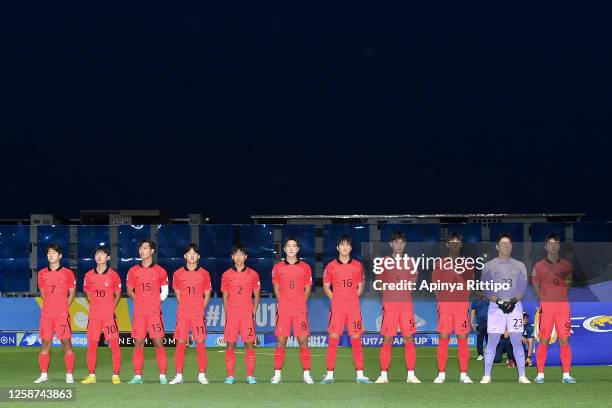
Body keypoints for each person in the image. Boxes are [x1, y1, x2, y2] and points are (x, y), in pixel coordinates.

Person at [480, 233, 530, 384]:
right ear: (497, 246)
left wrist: (513, 301)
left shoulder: (520, 265)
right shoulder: (489, 266)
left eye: (508, 243)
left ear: (512, 246)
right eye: (503, 243)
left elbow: (522, 288)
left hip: (514, 308)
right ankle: (487, 375)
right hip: (496, 308)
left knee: (516, 341)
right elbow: (485, 289)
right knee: (492, 341)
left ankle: (522, 376)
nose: (506, 246)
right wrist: (500, 301)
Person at [321, 235, 372, 384]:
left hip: (353, 309)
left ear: (350, 248)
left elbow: (360, 288)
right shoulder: (330, 266)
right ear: (338, 248)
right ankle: (329, 375)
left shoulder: (357, 265)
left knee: (356, 340)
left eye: (347, 245)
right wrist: (337, 300)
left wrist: (350, 300)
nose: (344, 247)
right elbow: (326, 287)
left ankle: (360, 375)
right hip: (337, 309)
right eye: (342, 244)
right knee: (333, 339)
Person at [374, 231, 420, 384]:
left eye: (401, 242)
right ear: (391, 244)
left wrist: (402, 290)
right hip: (390, 306)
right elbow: (379, 283)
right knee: (388, 339)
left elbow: (413, 283)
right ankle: (383, 375)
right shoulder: (383, 261)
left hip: (406, 305)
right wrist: (390, 293)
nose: (399, 245)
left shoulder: (411, 261)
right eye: (396, 242)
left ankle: (411, 375)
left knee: (408, 339)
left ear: (404, 244)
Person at [532, 233, 576, 383]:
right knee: (543, 339)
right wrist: (544, 298)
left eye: (555, 243)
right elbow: (535, 284)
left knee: (564, 340)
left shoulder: (566, 265)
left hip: (563, 308)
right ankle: (540, 375)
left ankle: (566, 375)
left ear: (558, 246)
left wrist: (560, 296)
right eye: (550, 243)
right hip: (547, 308)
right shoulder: (538, 265)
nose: (553, 245)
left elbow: (569, 282)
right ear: (546, 246)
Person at [270, 236, 314, 384]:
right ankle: (277, 375)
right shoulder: (277, 267)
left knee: (303, 341)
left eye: (293, 246)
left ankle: (306, 374)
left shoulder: (305, 267)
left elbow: (308, 288)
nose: (291, 248)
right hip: (284, 310)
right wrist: (282, 302)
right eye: (288, 245)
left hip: (299, 310)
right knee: (281, 341)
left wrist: (301, 301)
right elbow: (276, 287)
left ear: (298, 249)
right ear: (284, 249)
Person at [432, 233, 474, 384]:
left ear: (461, 245)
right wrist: (442, 301)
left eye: (458, 242)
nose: (455, 244)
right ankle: (441, 374)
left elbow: (471, 284)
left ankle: (463, 374)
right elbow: (435, 285)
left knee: (462, 338)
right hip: (445, 306)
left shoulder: (467, 264)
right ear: (447, 244)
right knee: (444, 337)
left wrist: (462, 298)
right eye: (452, 241)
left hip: (461, 306)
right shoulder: (440, 263)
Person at [126, 240, 169, 384]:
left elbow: (165, 290)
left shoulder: (160, 270)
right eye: (140, 248)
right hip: (139, 313)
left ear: (151, 251)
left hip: (154, 313)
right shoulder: (133, 271)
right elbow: (129, 289)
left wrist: (157, 302)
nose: (141, 251)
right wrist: (137, 300)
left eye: (145, 248)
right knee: (138, 342)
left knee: (158, 342)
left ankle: (162, 375)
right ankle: (137, 376)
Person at [34, 243, 77, 384]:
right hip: (47, 314)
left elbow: (72, 292)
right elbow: (43, 293)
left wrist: (64, 307)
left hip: (62, 314)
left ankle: (69, 375)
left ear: (60, 256)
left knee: (66, 343)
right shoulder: (41, 273)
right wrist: (49, 306)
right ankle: (43, 375)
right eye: (48, 253)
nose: (50, 255)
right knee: (45, 343)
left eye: (53, 253)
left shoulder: (68, 273)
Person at [169, 244, 212, 385]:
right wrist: (186, 307)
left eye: (194, 253)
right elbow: (178, 294)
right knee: (180, 343)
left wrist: (199, 308)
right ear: (185, 256)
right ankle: (179, 375)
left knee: (200, 343)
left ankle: (201, 375)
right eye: (189, 253)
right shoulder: (177, 273)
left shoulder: (204, 273)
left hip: (198, 314)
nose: (192, 255)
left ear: (198, 256)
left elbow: (207, 294)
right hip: (183, 314)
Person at [81, 246, 122, 384]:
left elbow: (118, 294)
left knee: (114, 345)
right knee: (92, 346)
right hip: (94, 316)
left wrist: (111, 308)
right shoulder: (88, 275)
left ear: (108, 257)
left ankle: (116, 376)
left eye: (103, 254)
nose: (99, 256)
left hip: (109, 317)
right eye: (97, 253)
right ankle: (91, 376)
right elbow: (87, 292)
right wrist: (94, 305)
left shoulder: (113, 275)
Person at [221, 244, 260, 384]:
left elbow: (257, 295)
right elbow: (224, 297)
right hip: (232, 315)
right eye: (236, 254)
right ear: (232, 257)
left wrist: (253, 311)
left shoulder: (253, 274)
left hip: (246, 316)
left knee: (249, 344)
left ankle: (249, 376)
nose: (238, 257)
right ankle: (230, 376)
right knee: (230, 344)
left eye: (241, 254)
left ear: (245, 257)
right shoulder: (226, 275)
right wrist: (227, 313)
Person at [470, 292, 489, 360]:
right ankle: (480, 355)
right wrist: (472, 322)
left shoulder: (489, 299)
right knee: (479, 339)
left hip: (489, 322)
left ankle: (488, 354)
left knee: (488, 339)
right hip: (479, 323)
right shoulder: (475, 301)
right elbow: (473, 311)